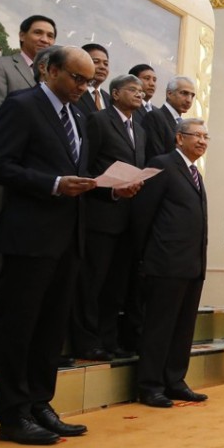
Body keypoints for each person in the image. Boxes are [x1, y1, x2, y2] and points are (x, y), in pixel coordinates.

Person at [0, 46, 99, 445]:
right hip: (29, 236)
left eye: (89, 82)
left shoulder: (79, 115)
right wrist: (52, 185)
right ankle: (14, 416)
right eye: (77, 78)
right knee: (19, 327)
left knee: (51, 328)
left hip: (68, 237)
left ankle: (39, 404)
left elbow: (78, 172)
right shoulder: (23, 105)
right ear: (49, 70)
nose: (84, 88)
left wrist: (111, 190)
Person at [0, 15, 57, 314]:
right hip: (3, 163)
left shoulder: (54, 76)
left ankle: (11, 290)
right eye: (38, 32)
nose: (45, 39)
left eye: (50, 35)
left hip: (35, 174)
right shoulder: (1, 66)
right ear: (22, 35)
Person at [132, 118, 210, 408]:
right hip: (165, 262)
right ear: (179, 139)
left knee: (183, 328)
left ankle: (175, 380)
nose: (202, 141)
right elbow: (143, 213)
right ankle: (150, 385)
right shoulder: (162, 164)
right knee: (159, 327)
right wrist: (145, 255)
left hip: (192, 264)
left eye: (206, 137)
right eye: (196, 136)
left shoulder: (195, 173)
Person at [72, 74, 147, 361]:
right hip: (100, 215)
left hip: (128, 220)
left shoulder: (139, 130)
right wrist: (112, 191)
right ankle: (86, 341)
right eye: (132, 89)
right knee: (92, 283)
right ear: (115, 94)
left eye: (141, 91)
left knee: (115, 286)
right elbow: (85, 166)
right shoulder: (100, 121)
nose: (139, 94)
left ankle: (107, 338)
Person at [143, 75, 195, 158]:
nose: (189, 100)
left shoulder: (182, 124)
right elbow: (156, 158)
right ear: (169, 94)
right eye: (184, 93)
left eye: (192, 95)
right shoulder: (155, 117)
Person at [74, 43, 112, 115]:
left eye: (106, 64)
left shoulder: (110, 100)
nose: (102, 67)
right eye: (96, 62)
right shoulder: (73, 92)